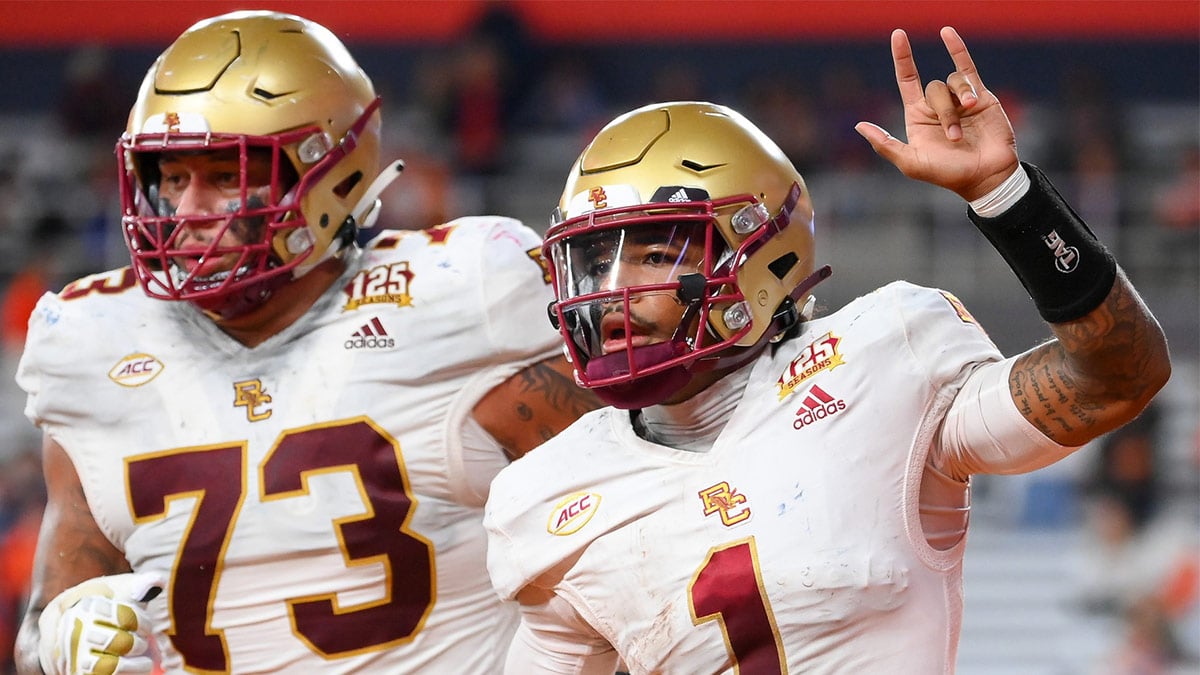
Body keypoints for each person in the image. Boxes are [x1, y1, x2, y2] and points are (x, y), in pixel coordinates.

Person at [483, 26, 1171, 673]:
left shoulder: (884, 354)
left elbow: (1117, 378)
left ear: (760, 254)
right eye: (592, 262)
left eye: (652, 255)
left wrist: (1008, 198)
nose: (609, 293)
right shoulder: (545, 493)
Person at [13, 11, 599, 675]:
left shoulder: (463, 295)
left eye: (226, 176)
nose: (187, 212)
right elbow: (44, 619)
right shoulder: (91, 341)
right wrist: (60, 636)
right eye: (172, 177)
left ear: (332, 172)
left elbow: (631, 534)